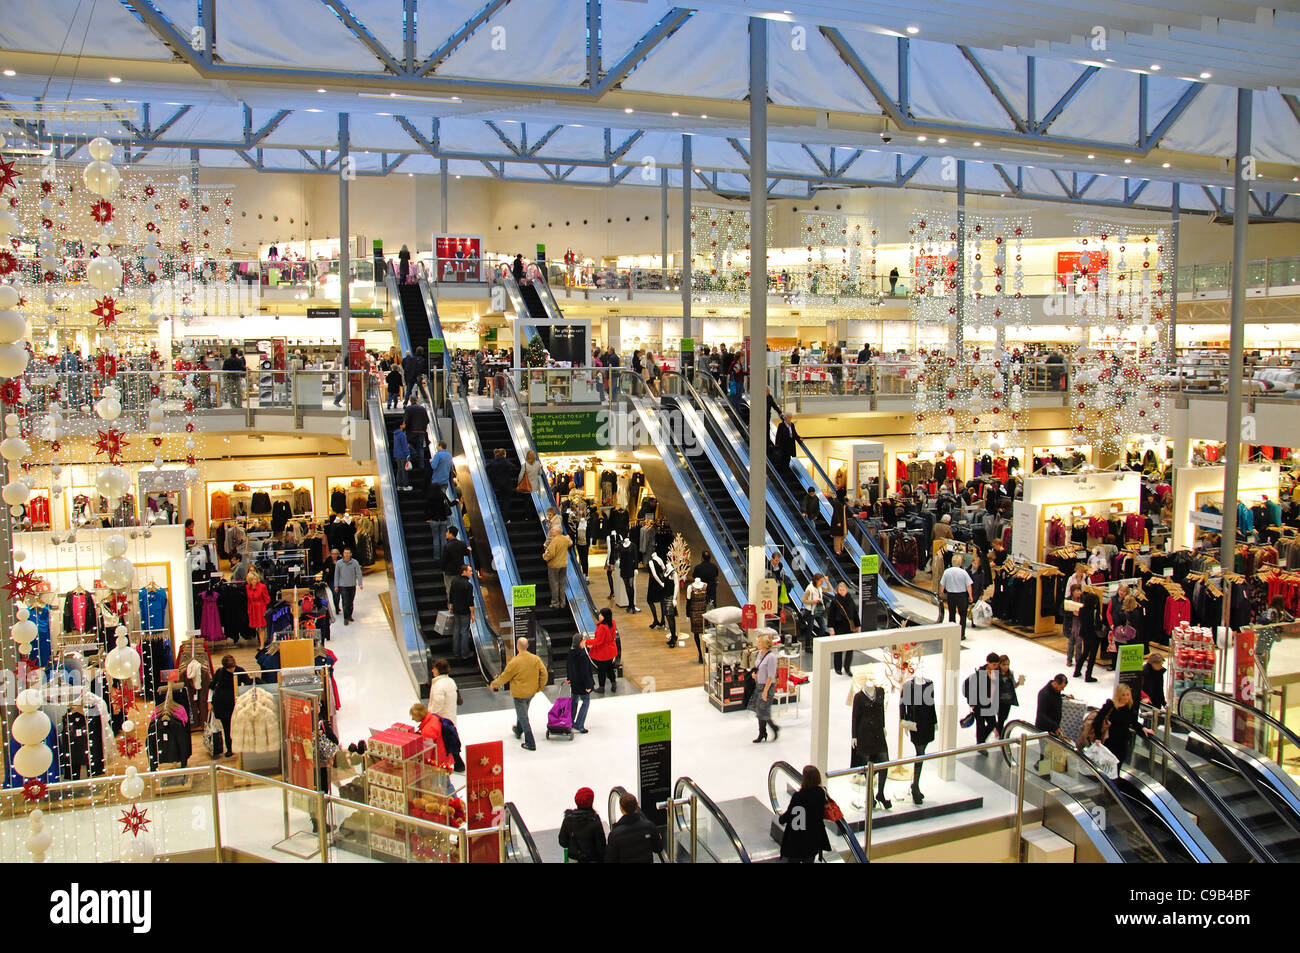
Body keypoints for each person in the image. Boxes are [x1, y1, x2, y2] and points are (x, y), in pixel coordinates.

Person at [488, 637, 548, 751]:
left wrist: (494, 683)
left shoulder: (514, 662)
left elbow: (505, 676)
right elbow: (544, 674)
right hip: (531, 692)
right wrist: (540, 686)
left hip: (519, 694)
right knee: (523, 712)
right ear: (527, 646)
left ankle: (530, 742)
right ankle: (518, 730)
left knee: (523, 716)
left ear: (517, 646)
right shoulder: (536, 659)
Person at [777, 764, 833, 863]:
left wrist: (781, 819)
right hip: (812, 839)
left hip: (797, 840)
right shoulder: (821, 793)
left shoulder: (798, 796)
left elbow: (790, 814)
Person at [1096, 684, 1149, 766]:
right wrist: (1098, 737)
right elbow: (1098, 720)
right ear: (1118, 695)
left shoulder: (1129, 707)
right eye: (1123, 695)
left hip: (1123, 741)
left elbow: (1133, 721)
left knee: (1119, 762)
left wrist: (1142, 728)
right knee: (1108, 764)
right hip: (1109, 740)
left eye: (1127, 695)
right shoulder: (1110, 705)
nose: (1126, 697)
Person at [604, 792, 662, 863]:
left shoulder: (615, 834)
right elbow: (658, 848)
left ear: (621, 809)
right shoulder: (649, 826)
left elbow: (611, 859)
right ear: (637, 805)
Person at [210, 654, 249, 754]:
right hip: (222, 704)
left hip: (235, 703)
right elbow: (212, 687)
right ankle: (229, 749)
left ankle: (240, 746)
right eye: (229, 668)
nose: (232, 670)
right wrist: (209, 702)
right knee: (226, 727)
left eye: (233, 667)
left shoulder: (239, 671)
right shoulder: (220, 672)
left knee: (238, 725)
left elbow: (247, 683)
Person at [558, 787, 605, 862]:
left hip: (574, 858)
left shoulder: (568, 819)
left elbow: (562, 842)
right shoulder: (595, 820)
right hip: (592, 859)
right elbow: (601, 846)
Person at [963, 653, 1002, 745]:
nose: (996, 666)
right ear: (988, 662)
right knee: (980, 725)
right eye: (994, 664)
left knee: (992, 723)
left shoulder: (996, 673)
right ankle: (980, 743)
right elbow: (971, 689)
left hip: (990, 704)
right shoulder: (979, 674)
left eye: (997, 664)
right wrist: (972, 703)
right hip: (979, 704)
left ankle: (980, 740)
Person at [827, 581, 859, 675]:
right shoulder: (835, 601)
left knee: (850, 648)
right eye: (840, 590)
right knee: (838, 648)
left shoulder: (850, 600)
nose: (842, 591)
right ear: (837, 590)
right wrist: (831, 628)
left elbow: (854, 613)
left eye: (843, 589)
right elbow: (831, 615)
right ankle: (838, 667)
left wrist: (857, 625)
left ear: (846, 590)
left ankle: (847, 667)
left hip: (849, 627)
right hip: (839, 626)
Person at [753, 634, 780, 743]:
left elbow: (771, 676)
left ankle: (771, 729)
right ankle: (763, 732)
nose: (757, 644)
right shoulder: (760, 653)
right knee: (760, 710)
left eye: (759, 642)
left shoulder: (772, 657)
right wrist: (755, 675)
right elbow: (758, 667)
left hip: (767, 687)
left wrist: (765, 692)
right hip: (759, 685)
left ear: (764, 644)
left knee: (763, 710)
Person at [585, 608, 619, 693]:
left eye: (601, 615)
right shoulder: (612, 623)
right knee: (609, 668)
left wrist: (586, 641)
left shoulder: (602, 628)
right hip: (611, 650)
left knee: (601, 670)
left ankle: (601, 687)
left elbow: (598, 641)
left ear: (604, 617)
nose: (599, 615)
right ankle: (613, 682)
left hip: (603, 653)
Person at [1072, 590, 1104, 682]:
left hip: (1085, 634)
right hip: (1094, 636)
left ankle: (1077, 671)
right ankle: (1088, 675)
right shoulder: (1095, 612)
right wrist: (1100, 620)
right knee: (1092, 656)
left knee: (1085, 653)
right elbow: (1098, 625)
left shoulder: (1082, 610)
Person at [939, 559, 974, 640]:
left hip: (951, 595)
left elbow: (942, 584)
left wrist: (941, 593)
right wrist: (970, 596)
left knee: (952, 614)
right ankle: (961, 634)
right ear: (960, 563)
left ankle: (952, 633)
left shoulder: (947, 571)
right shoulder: (963, 572)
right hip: (961, 595)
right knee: (963, 615)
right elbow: (968, 585)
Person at [566, 634, 594, 734]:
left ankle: (570, 721)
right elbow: (585, 672)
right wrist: (588, 685)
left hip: (574, 683)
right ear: (579, 642)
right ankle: (579, 724)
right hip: (582, 684)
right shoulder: (582, 655)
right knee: (585, 702)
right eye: (583, 640)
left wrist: (569, 678)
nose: (585, 641)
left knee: (574, 701)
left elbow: (568, 666)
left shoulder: (571, 653)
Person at [447, 563, 475, 660]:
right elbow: (470, 601)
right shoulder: (468, 585)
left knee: (456, 630)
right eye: (470, 571)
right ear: (464, 572)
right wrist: (472, 614)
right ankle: (465, 653)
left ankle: (456, 652)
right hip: (464, 611)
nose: (472, 572)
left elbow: (451, 595)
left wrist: (451, 607)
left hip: (456, 610)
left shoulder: (454, 581)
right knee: (464, 632)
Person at [543, 525, 573, 609]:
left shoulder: (555, 541)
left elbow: (551, 554)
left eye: (553, 530)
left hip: (554, 566)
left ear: (557, 531)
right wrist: (568, 537)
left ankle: (555, 603)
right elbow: (570, 543)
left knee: (554, 584)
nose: (551, 531)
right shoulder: (565, 539)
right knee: (562, 584)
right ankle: (563, 603)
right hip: (563, 564)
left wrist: (544, 556)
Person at [995, 654, 1025, 736]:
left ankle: (997, 728)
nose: (1006, 667)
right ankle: (1001, 734)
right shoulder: (996, 674)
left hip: (1008, 699)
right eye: (1003, 664)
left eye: (1007, 664)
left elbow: (1014, 686)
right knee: (1001, 717)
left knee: (1005, 717)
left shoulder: (1010, 673)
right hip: (999, 700)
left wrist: (1019, 682)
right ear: (999, 665)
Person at [333, 546, 363, 625]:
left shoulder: (355, 562)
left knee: (351, 601)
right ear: (343, 554)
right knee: (345, 602)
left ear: (351, 554)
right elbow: (336, 575)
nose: (346, 555)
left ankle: (349, 615)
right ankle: (346, 618)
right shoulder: (339, 563)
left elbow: (359, 573)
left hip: (352, 585)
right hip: (343, 586)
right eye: (345, 553)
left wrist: (360, 583)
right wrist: (336, 585)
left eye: (348, 553)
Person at [402, 396, 430, 480]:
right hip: (421, 432)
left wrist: (404, 429)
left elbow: (406, 421)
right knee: (420, 448)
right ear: (416, 400)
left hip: (412, 431)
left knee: (409, 445)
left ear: (410, 401)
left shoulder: (408, 409)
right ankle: (421, 465)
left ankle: (412, 458)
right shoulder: (422, 409)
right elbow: (427, 420)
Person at [486, 447, 516, 522]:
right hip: (506, 485)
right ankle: (505, 518)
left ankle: (496, 518)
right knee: (506, 501)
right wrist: (509, 473)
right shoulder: (505, 461)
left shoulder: (493, 462)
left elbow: (487, 468)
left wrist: (492, 476)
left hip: (496, 485)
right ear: (504, 454)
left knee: (498, 500)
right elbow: (514, 468)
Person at [441, 526, 468, 606]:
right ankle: (462, 604)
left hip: (450, 572)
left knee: (450, 589)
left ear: (451, 534)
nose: (446, 534)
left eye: (447, 532)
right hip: (460, 571)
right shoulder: (462, 544)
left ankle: (451, 606)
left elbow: (444, 560)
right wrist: (469, 549)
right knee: (461, 588)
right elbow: (466, 553)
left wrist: (443, 569)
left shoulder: (447, 546)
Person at [802, 573, 829, 644]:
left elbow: (830, 589)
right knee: (810, 629)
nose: (822, 582)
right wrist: (812, 601)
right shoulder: (809, 589)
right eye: (821, 581)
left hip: (818, 610)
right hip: (810, 611)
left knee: (823, 628)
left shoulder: (819, 587)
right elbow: (803, 600)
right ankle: (808, 645)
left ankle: (816, 641)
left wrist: (827, 582)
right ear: (816, 580)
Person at [428, 439, 453, 513]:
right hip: (445, 481)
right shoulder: (449, 455)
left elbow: (433, 466)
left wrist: (431, 461)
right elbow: (451, 468)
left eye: (437, 445)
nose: (436, 447)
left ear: (440, 446)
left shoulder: (438, 455)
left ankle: (435, 513)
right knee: (442, 497)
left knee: (435, 498)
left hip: (436, 481)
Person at [391, 418, 411, 489]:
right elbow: (404, 446)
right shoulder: (402, 435)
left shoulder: (395, 434)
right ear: (400, 426)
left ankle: (399, 485)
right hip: (403, 455)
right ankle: (405, 485)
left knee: (399, 470)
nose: (404, 425)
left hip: (397, 455)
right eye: (403, 424)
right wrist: (408, 454)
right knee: (404, 470)